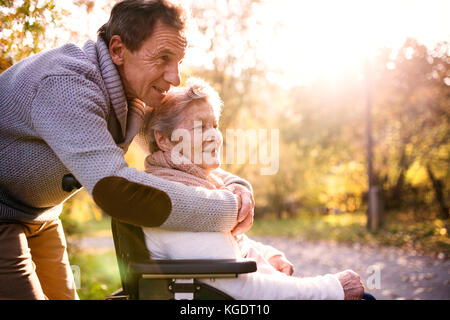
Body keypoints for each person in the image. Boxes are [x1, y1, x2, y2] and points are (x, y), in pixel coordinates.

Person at [0, 0, 254, 300]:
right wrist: (228, 209)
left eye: (179, 61)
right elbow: (116, 190)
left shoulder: (133, 90)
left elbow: (177, 149)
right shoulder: (68, 84)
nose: (175, 77)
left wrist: (235, 186)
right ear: (118, 50)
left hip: (39, 215)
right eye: (163, 58)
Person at [140, 78, 365, 299]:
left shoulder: (190, 184)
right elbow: (244, 291)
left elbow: (218, 249)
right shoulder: (175, 197)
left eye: (215, 126)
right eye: (200, 127)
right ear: (164, 140)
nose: (214, 136)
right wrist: (333, 288)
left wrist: (265, 255)